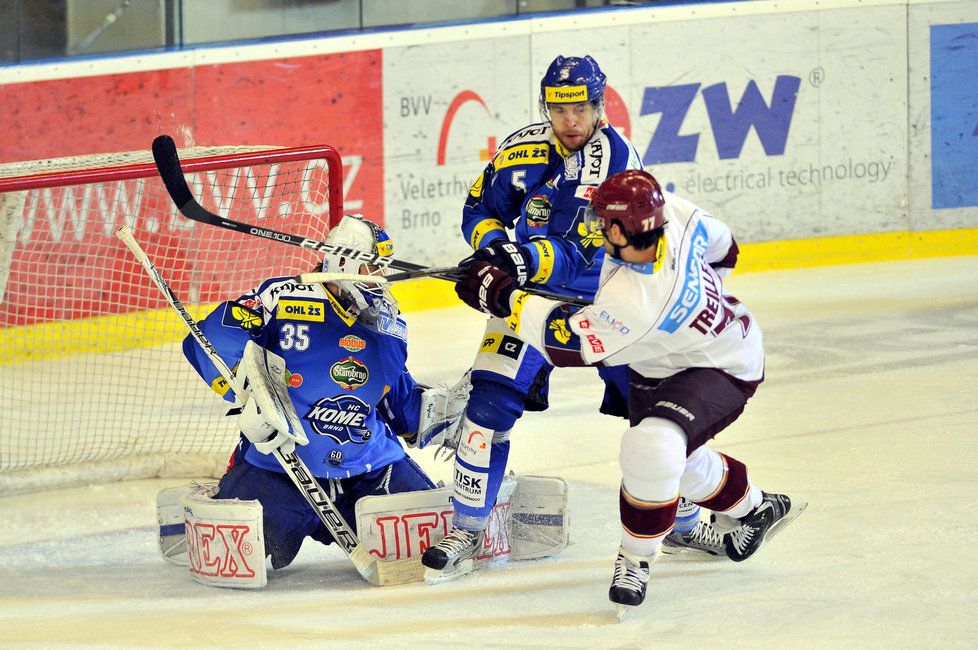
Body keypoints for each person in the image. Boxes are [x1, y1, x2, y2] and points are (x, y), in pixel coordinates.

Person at [452, 169, 804, 612]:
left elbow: (565, 343)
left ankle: (635, 559)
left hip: (719, 363)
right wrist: (692, 311)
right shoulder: (672, 213)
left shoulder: (635, 302)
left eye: (601, 222)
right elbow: (724, 247)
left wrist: (506, 299)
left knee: (650, 446)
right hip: (663, 354)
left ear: (621, 229)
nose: (594, 228)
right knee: (680, 459)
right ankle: (755, 508)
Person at [421, 54, 653, 577]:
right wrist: (495, 245)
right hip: (528, 304)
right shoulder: (522, 146)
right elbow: (478, 209)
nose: (569, 121)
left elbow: (577, 248)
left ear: (598, 107)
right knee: (484, 414)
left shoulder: (614, 162)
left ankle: (683, 523)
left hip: (605, 303)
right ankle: (468, 527)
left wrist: (516, 261)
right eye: (558, 108)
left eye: (579, 109)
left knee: (655, 419)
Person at [183, 214, 461, 571]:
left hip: (370, 470)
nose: (380, 279)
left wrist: (446, 416)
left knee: (437, 542)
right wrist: (250, 391)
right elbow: (210, 336)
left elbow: (397, 402)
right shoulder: (283, 298)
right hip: (281, 468)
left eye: (383, 269)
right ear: (343, 261)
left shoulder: (390, 325)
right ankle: (216, 499)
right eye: (372, 267)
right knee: (230, 556)